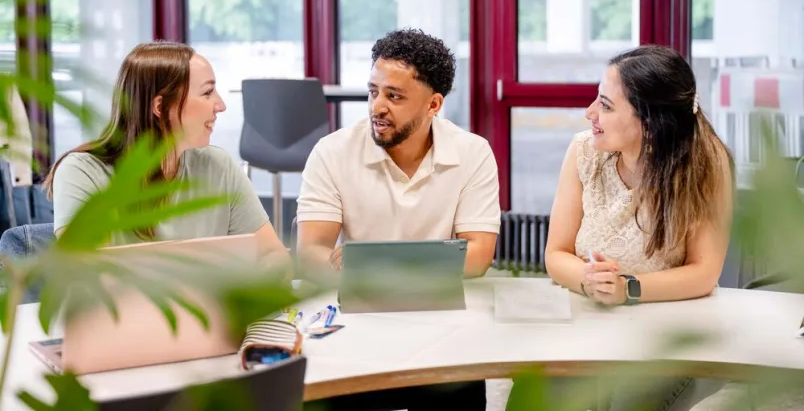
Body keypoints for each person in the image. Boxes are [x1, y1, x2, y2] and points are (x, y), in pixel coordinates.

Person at [517, 45, 734, 411]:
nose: (589, 113)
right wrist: (587, 279)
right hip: (585, 327)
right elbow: (555, 254)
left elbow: (704, 273)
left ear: (648, 120)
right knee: (531, 399)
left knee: (624, 402)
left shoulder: (706, 162)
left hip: (663, 336)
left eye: (605, 105)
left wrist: (627, 289)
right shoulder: (583, 152)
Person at [297, 28, 500, 411]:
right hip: (354, 322)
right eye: (373, 91)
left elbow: (477, 258)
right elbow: (311, 253)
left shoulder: (473, 153)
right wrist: (429, 262)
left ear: (433, 105)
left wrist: (369, 264)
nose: (377, 106)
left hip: (441, 324)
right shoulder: (332, 152)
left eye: (394, 96)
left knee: (461, 388)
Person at [44, 42, 290, 272]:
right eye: (207, 93)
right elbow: (82, 274)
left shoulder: (219, 166)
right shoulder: (82, 172)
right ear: (160, 107)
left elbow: (275, 256)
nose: (221, 105)